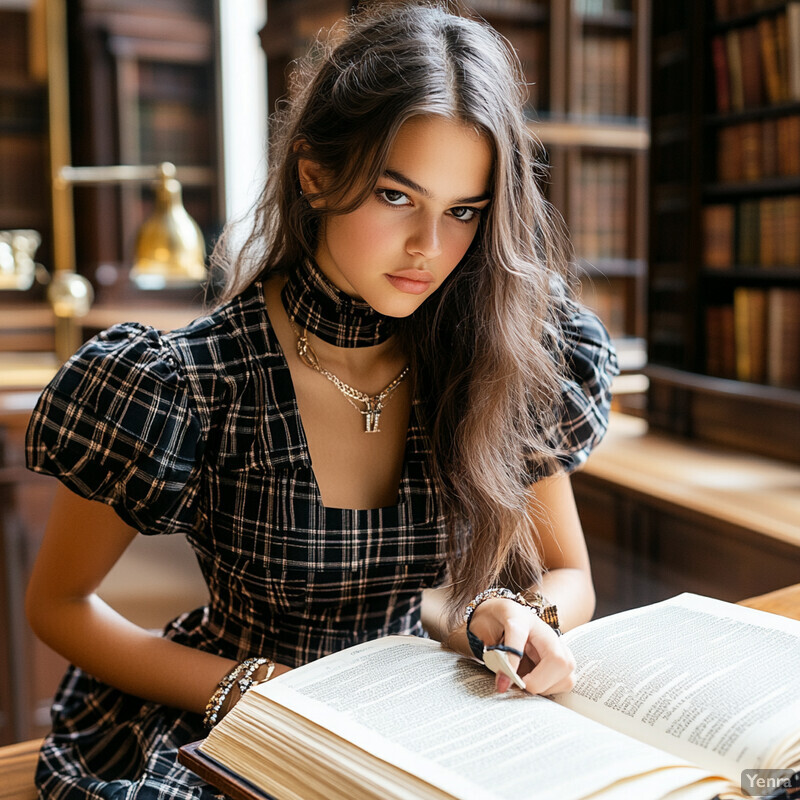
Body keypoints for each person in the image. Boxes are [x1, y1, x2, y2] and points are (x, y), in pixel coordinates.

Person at [24, 3, 618, 798]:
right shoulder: (187, 380)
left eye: (464, 211)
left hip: (412, 712)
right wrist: (248, 686)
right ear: (314, 172)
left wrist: (519, 614)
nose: (430, 250)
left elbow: (567, 572)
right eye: (397, 196)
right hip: (232, 715)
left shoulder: (496, 352)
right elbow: (59, 605)